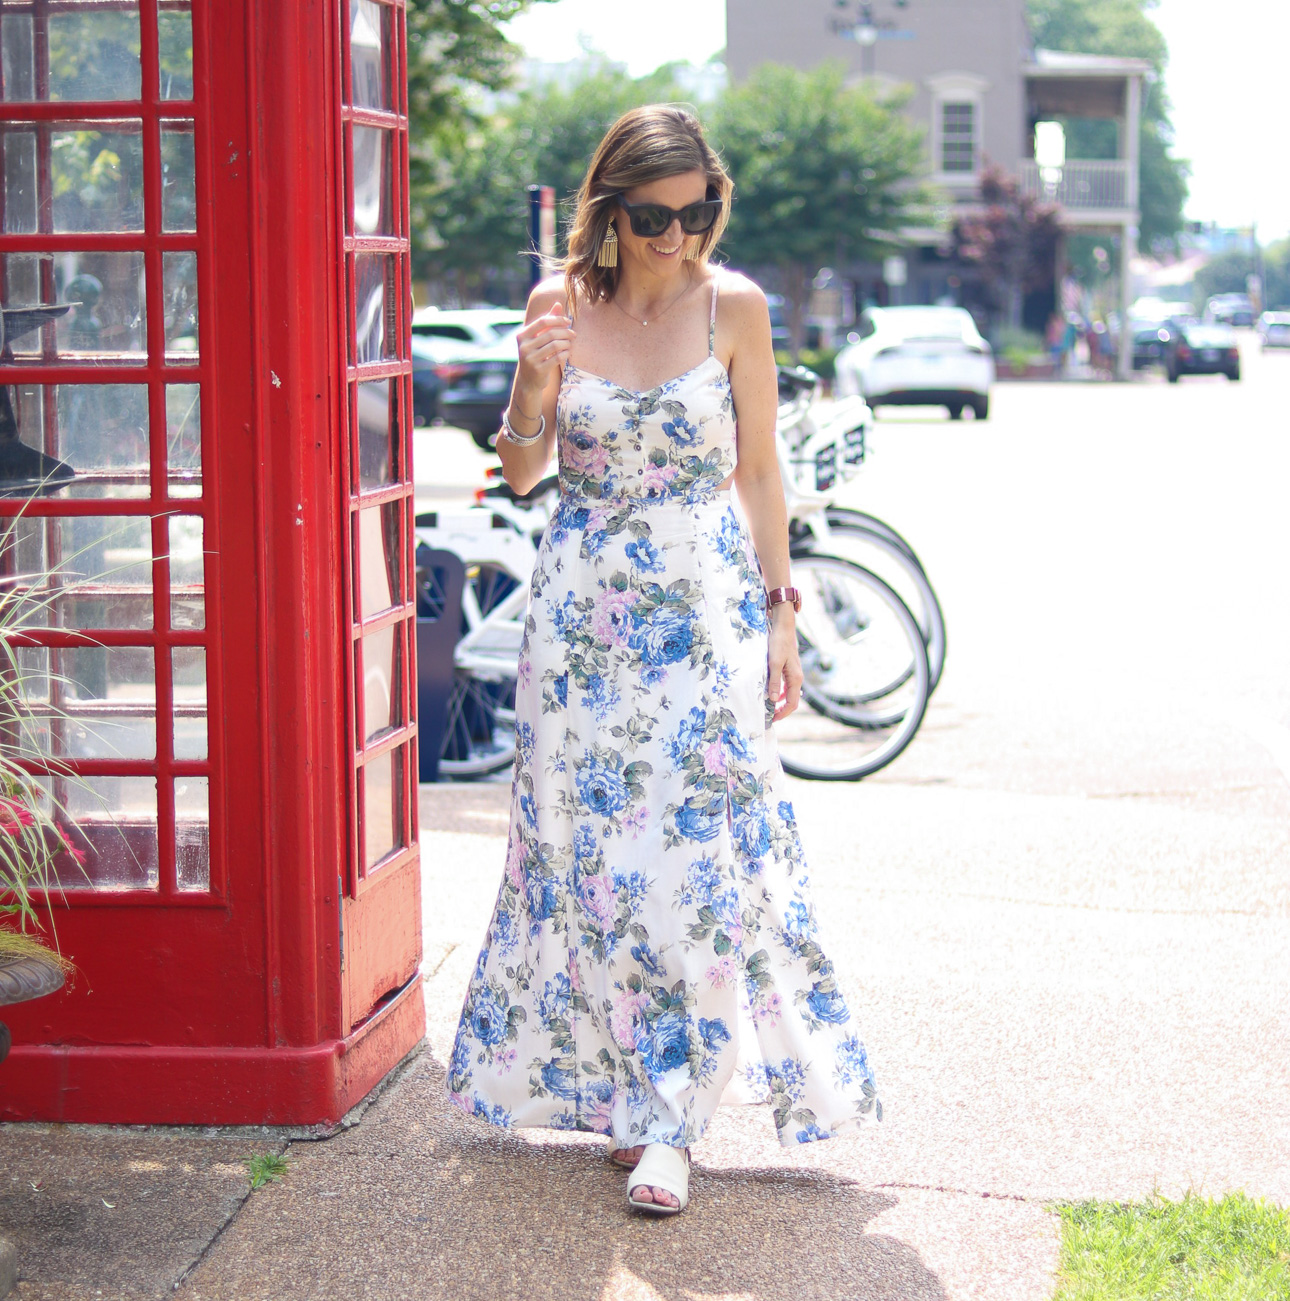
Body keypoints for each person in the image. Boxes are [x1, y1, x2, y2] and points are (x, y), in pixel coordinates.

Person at [448, 105, 881, 1217]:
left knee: (693, 864)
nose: (679, 236)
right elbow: (525, 473)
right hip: (583, 615)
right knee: (589, 857)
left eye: (700, 212)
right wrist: (529, 395)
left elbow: (762, 476)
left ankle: (674, 1117)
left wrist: (784, 612)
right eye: (654, 216)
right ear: (611, 207)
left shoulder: (734, 306)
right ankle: (619, 1090)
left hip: (701, 612)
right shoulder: (557, 307)